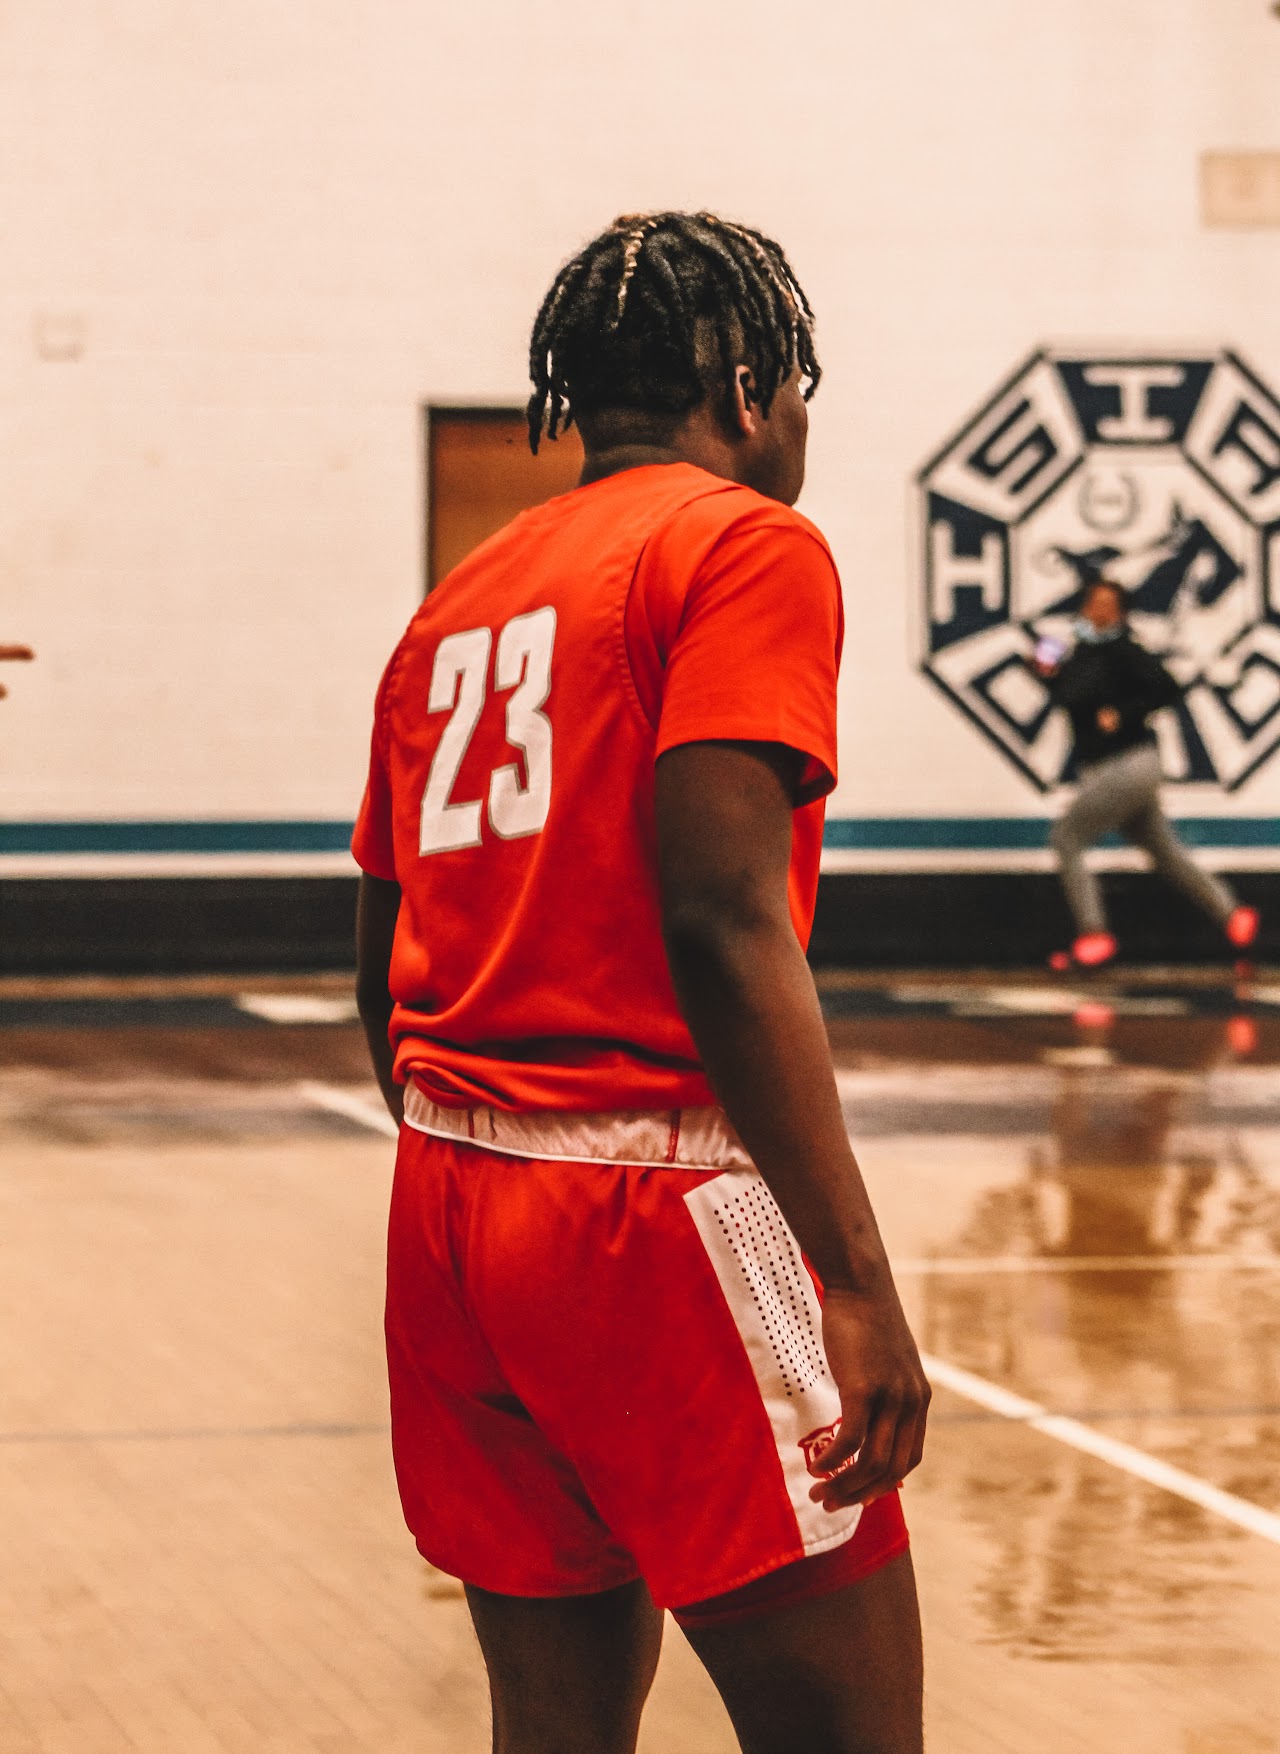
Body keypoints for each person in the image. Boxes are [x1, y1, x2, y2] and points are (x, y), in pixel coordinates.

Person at [352, 211, 929, 1754]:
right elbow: (725, 917)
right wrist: (856, 1282)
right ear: (748, 388)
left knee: (552, 1733)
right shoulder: (745, 543)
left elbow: (380, 960)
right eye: (799, 388)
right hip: (649, 1208)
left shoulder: (459, 599)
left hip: (454, 1199)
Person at [1038, 578, 1258, 968]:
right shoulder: (1080, 651)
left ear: (1121, 612)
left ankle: (1093, 933)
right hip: (1109, 768)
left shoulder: (1124, 651)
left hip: (1129, 764)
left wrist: (1124, 712)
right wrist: (1045, 665)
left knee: (1066, 838)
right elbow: (1063, 687)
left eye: (1109, 604)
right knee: (1163, 850)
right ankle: (1232, 914)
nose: (1100, 610)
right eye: (1094, 603)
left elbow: (1167, 688)